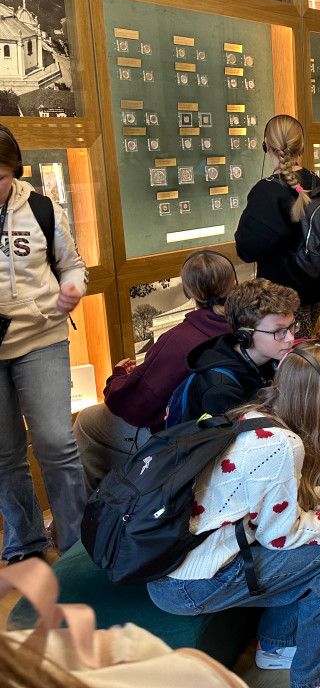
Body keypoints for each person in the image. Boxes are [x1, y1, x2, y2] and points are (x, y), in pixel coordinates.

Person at [147, 342, 320, 688]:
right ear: (319, 401)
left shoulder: (255, 415)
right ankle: (316, 679)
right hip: (189, 582)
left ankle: (278, 644)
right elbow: (282, 537)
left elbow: (285, 505)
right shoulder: (281, 445)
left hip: (180, 562)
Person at [73, 249, 236, 490]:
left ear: (187, 291)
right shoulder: (248, 327)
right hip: (229, 430)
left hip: (183, 438)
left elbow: (135, 404)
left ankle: (94, 509)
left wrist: (117, 377)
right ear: (234, 284)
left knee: (87, 421)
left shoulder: (178, 340)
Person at [0, 123, 88, 563]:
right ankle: (26, 543)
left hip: (41, 336)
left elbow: (72, 265)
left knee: (56, 442)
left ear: (14, 170)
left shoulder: (41, 208)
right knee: (4, 453)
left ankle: (78, 547)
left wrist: (72, 289)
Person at [235, 114, 320, 338]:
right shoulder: (315, 181)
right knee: (304, 342)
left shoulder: (266, 191)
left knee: (292, 351)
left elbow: (246, 250)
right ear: (301, 146)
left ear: (266, 144)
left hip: (285, 298)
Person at [179, 278, 298, 423]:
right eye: (278, 331)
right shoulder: (220, 389)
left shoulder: (274, 358)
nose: (290, 338)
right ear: (245, 334)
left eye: (291, 326)